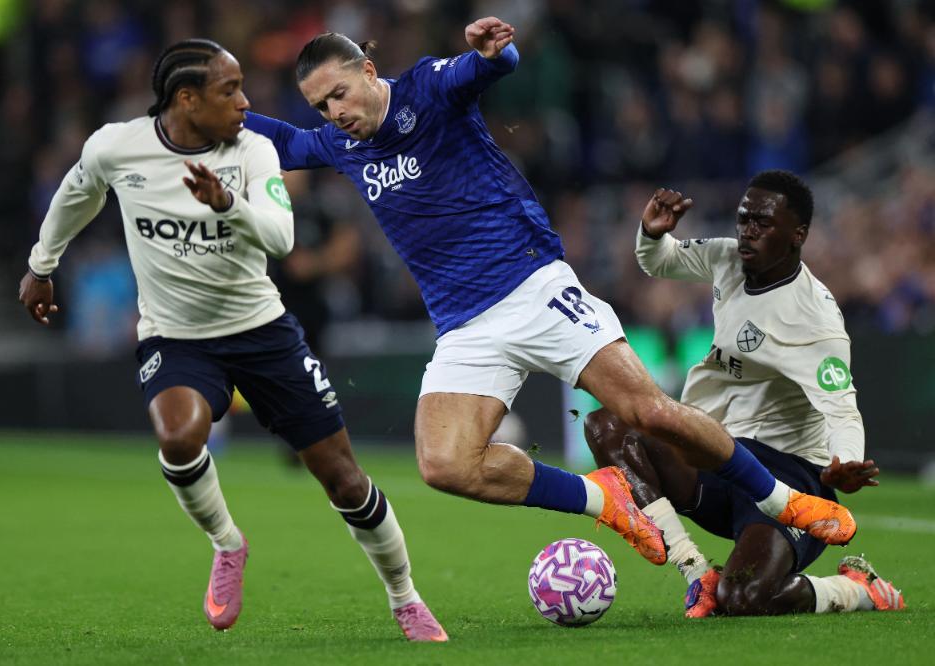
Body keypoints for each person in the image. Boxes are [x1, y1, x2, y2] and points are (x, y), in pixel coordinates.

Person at [241, 17, 856, 567]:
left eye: (339, 93)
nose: (333, 112)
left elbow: (487, 68)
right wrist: (212, 113)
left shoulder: (426, 87)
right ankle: (603, 499)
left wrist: (494, 54)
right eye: (320, 105)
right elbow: (285, 143)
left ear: (369, 71)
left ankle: (783, 500)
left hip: (533, 287)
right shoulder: (341, 143)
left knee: (648, 413)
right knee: (445, 463)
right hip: (464, 326)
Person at [17, 39, 448, 642]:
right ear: (187, 100)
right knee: (178, 437)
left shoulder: (252, 150)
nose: (246, 102)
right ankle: (228, 544)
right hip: (177, 336)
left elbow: (280, 237)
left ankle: (405, 598)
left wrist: (227, 204)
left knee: (345, 480)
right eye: (230, 91)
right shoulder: (117, 147)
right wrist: (42, 265)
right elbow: (77, 192)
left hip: (262, 332)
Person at [584, 171, 905, 617]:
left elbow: (842, 409)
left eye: (763, 223)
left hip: (790, 478)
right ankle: (696, 572)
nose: (747, 231)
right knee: (608, 425)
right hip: (719, 453)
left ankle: (855, 590)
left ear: (797, 235)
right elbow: (660, 261)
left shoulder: (814, 322)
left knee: (744, 598)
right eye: (744, 218)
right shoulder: (727, 258)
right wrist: (652, 234)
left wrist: (845, 461)